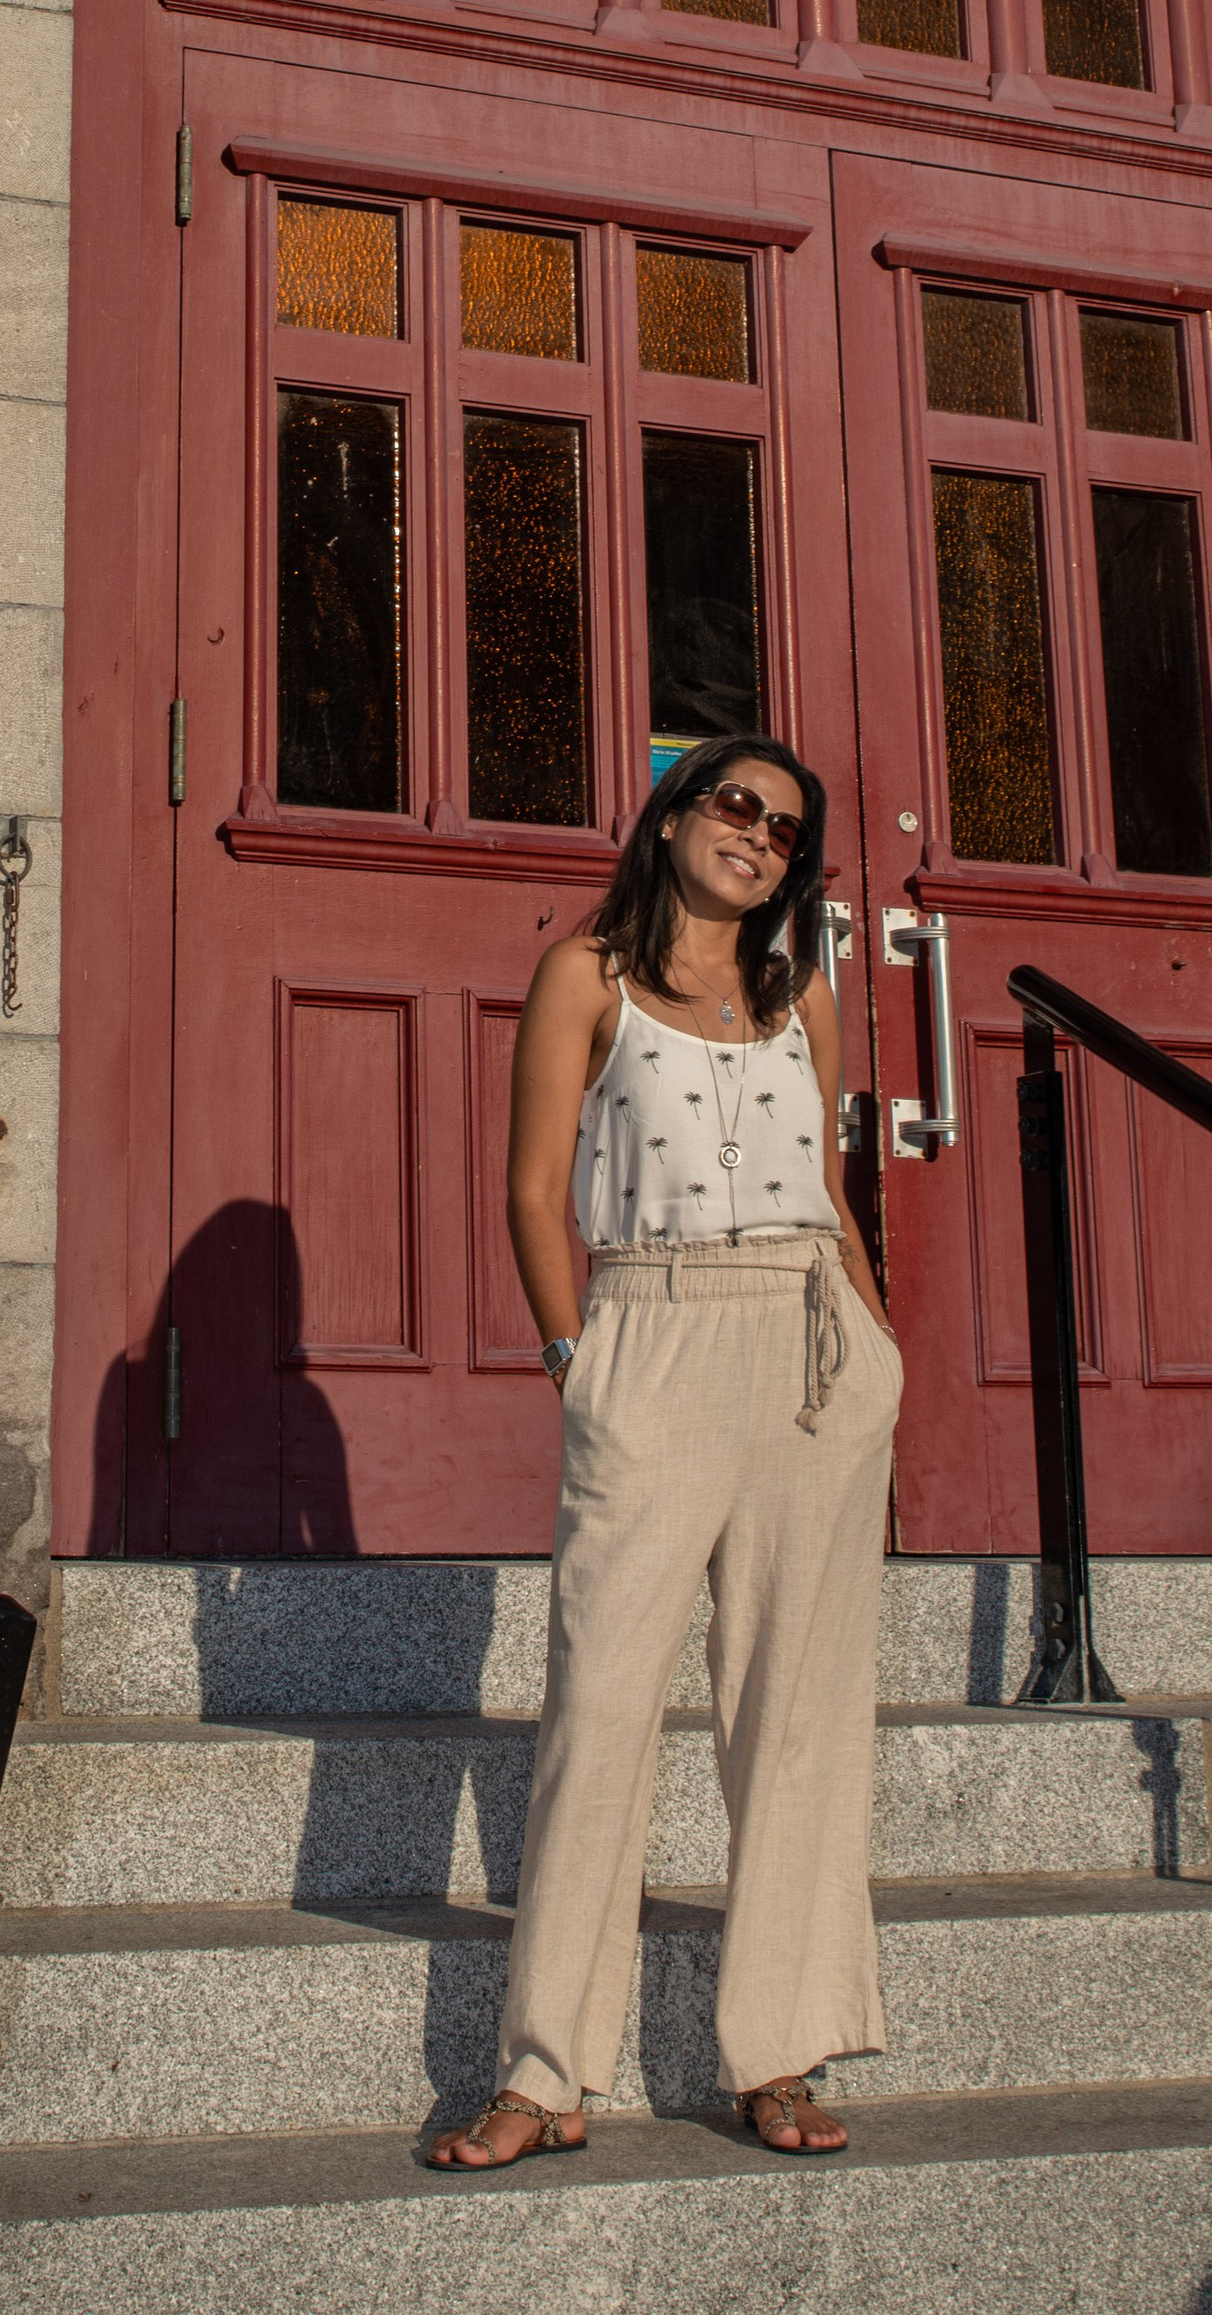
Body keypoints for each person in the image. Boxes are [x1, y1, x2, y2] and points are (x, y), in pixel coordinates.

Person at [424, 733, 900, 2171]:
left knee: (796, 1721)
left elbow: (832, 1186)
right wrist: (579, 1366)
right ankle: (546, 2070)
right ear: (676, 815)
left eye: (783, 827)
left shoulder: (803, 992)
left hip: (814, 1352)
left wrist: (883, 1356)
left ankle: (784, 2052)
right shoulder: (587, 976)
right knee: (602, 1709)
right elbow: (527, 1190)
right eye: (734, 804)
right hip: (650, 1333)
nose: (755, 833)